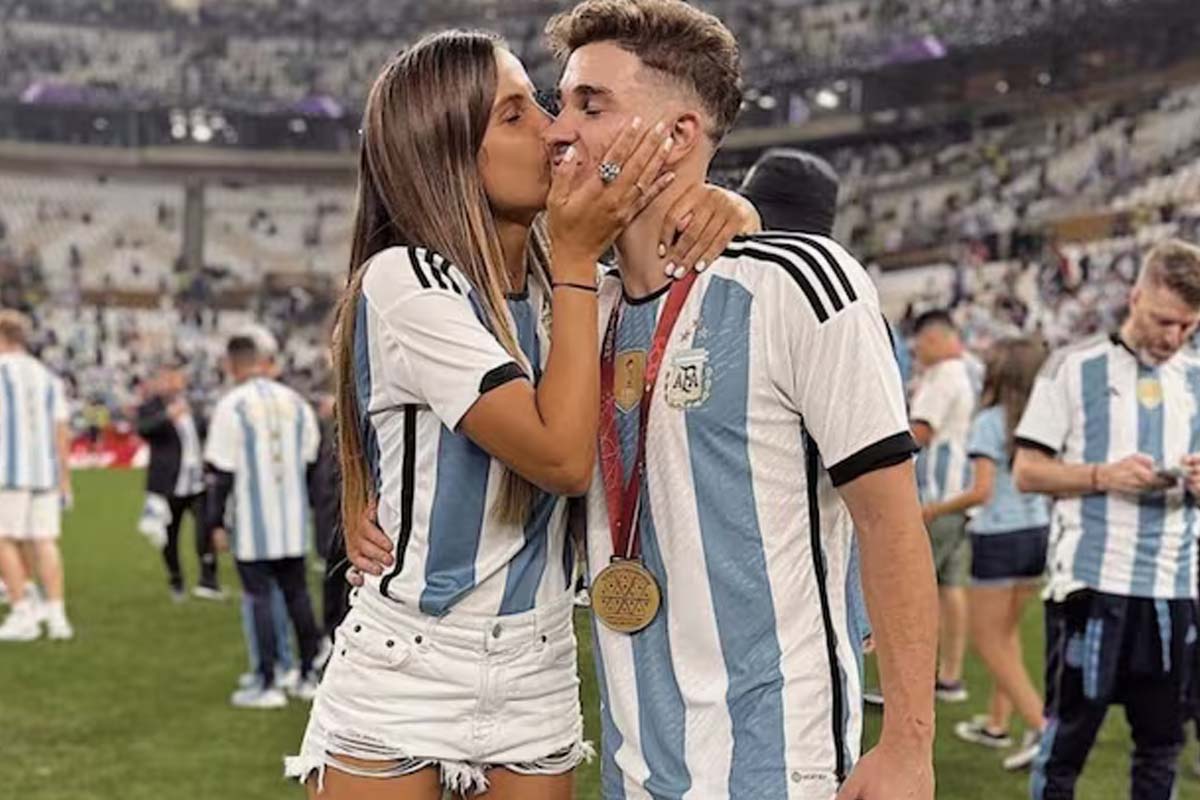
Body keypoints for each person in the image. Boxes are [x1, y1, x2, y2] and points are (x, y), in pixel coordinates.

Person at [287, 28, 756, 800]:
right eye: (515, 115)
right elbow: (561, 457)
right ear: (449, 154)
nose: (552, 128)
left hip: (539, 663)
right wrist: (575, 261)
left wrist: (730, 207)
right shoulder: (408, 281)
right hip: (411, 660)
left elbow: (653, 293)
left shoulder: (561, 288)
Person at [542, 2, 935, 797]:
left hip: (772, 759)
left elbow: (890, 522)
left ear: (679, 136)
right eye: (560, 104)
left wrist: (908, 746)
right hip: (631, 759)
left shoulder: (798, 285)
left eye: (590, 105)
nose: (559, 131)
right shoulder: (578, 306)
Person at [1013, 239, 1200, 799]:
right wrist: (1101, 476)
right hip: (1090, 589)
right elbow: (1027, 471)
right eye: (1164, 320)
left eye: (1188, 327)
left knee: (1160, 749)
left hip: (1173, 591)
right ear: (1135, 296)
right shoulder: (1073, 366)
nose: (1174, 338)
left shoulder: (1195, 381)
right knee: (1067, 744)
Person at [927, 338, 1050, 770]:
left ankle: (1042, 729)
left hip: (998, 538)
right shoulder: (1041, 420)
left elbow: (981, 491)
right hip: (1036, 535)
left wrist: (932, 509)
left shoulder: (990, 423)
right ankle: (998, 725)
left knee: (990, 641)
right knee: (1008, 634)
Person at [204, 335, 324, 709]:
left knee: (257, 599)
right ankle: (305, 674)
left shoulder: (232, 406)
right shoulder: (296, 403)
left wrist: (215, 523)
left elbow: (221, 472)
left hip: (254, 525)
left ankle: (267, 680)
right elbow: (310, 459)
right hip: (291, 520)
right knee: (298, 595)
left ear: (231, 365)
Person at [910, 308, 978, 702]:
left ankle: (909, 683)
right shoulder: (969, 370)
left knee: (913, 589)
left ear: (933, 338)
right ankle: (950, 675)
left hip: (935, 498)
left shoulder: (943, 377)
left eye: (919, 342)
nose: (916, 350)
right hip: (958, 496)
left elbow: (919, 432)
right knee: (951, 588)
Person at [0, 309, 74, 642]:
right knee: (44, 541)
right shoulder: (47, 376)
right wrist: (64, 477)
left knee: (4, 539)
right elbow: (62, 431)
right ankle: (56, 615)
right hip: (44, 472)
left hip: (7, 470)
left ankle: (22, 612)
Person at [135, 362, 221, 601]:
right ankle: (176, 580)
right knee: (169, 536)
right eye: (169, 379)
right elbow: (144, 429)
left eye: (177, 379)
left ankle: (209, 580)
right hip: (168, 484)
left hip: (197, 482)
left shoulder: (192, 405)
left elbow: (205, 431)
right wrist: (167, 417)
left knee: (205, 530)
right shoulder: (151, 407)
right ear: (159, 382)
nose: (174, 384)